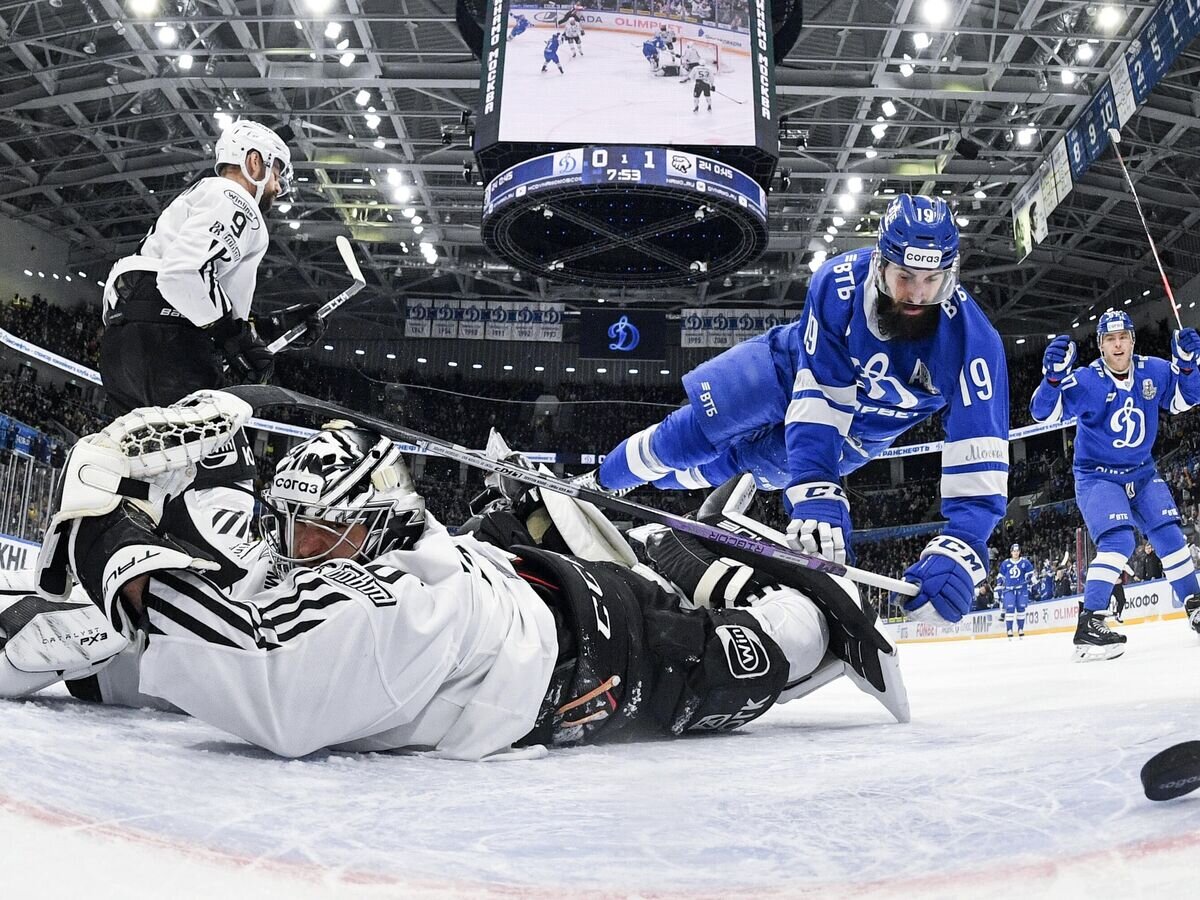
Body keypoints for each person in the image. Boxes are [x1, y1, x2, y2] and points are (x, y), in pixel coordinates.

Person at [2, 393, 909, 760]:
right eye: (285, 526)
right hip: (505, 577)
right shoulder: (353, 549)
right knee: (541, 529)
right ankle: (625, 545)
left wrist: (103, 523)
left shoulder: (377, 603)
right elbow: (171, 647)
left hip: (596, 652)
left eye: (315, 532)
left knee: (764, 650)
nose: (289, 548)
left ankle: (773, 599)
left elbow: (251, 664)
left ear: (366, 524)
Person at [590, 195, 1010, 628]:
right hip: (785, 369)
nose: (918, 295)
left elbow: (979, 452)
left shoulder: (974, 345)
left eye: (933, 280)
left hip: (857, 435)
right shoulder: (838, 281)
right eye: (905, 276)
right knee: (689, 435)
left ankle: (650, 485)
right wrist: (817, 486)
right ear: (880, 264)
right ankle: (597, 482)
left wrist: (963, 543)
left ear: (951, 274)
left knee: (740, 463)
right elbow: (820, 400)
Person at [99, 119, 321, 416]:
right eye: (277, 174)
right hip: (167, 346)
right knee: (217, 458)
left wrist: (270, 326)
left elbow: (204, 299)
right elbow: (183, 274)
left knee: (143, 459)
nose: (278, 187)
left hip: (125, 344)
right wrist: (235, 338)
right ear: (255, 162)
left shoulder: (204, 193)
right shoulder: (236, 199)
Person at [1030, 309, 1200, 661]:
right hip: (1097, 475)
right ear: (1101, 346)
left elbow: (1186, 399)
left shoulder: (1152, 369)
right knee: (1120, 541)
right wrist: (1051, 380)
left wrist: (1187, 366)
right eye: (1110, 339)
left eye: (1123, 336)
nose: (1118, 344)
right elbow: (1042, 413)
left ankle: (1195, 604)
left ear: (1133, 340)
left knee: (1170, 535)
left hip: (1142, 470)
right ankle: (1089, 622)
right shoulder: (1087, 380)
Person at [995, 543, 1034, 639]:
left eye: (1017, 551)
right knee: (1010, 609)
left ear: (1019, 552)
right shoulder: (1005, 563)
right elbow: (1000, 575)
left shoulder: (1025, 562)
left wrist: (1029, 578)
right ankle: (1009, 630)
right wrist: (999, 582)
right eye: (1014, 551)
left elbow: (1030, 573)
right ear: (1011, 552)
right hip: (1009, 590)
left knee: (1021, 609)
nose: (1015, 553)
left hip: (1022, 589)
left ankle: (1020, 629)